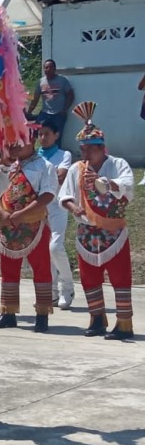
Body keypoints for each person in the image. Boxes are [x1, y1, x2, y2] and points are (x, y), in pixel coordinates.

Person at [59, 102, 135, 340]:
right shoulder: (76, 169)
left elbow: (128, 189)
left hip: (113, 233)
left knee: (120, 277)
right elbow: (65, 195)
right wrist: (75, 207)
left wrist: (103, 182)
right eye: (83, 149)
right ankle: (97, 318)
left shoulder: (117, 164)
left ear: (103, 148)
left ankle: (124, 323)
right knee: (89, 277)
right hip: (87, 232)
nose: (86, 154)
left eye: (91, 149)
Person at [0, 132, 58, 333]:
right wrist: (4, 215)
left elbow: (47, 195)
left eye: (20, 142)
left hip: (33, 224)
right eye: (12, 142)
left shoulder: (45, 166)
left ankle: (42, 315)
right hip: (9, 226)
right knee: (8, 269)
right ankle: (8, 313)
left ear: (33, 141)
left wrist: (20, 215)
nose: (14, 146)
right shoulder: (6, 167)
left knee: (41, 268)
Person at [37, 120, 75, 309]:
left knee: (55, 247)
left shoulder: (63, 155)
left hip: (57, 205)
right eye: (40, 134)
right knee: (44, 250)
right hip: (38, 208)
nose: (43, 138)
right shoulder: (34, 156)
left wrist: (39, 181)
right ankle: (51, 291)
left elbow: (60, 177)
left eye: (47, 134)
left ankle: (67, 287)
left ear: (56, 135)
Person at [29, 59, 74, 147]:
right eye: (46, 68)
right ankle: (34, 153)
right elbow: (35, 98)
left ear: (54, 69)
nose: (48, 69)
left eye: (50, 67)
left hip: (59, 114)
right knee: (36, 132)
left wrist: (65, 109)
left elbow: (70, 95)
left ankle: (56, 156)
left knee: (56, 136)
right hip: (45, 113)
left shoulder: (62, 80)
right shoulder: (41, 82)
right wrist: (29, 111)